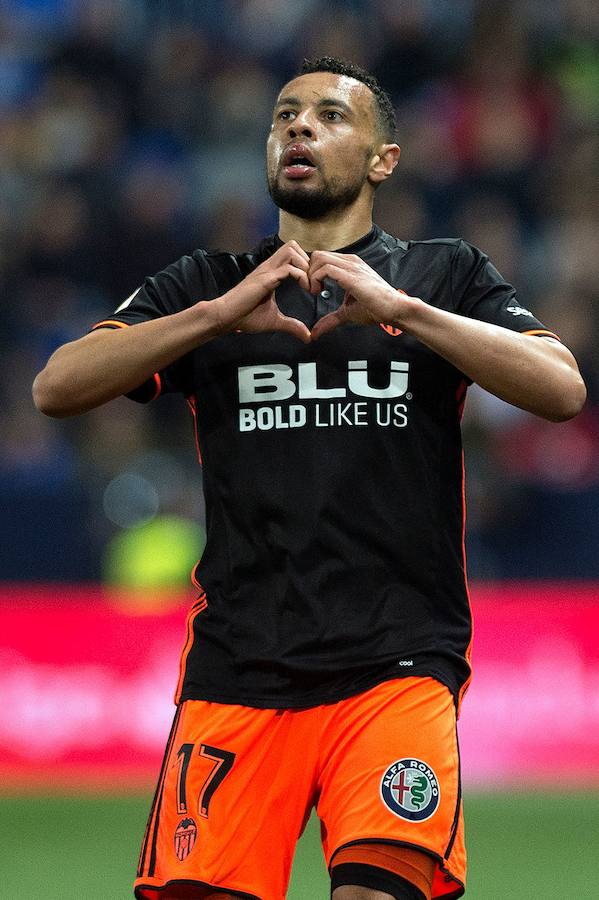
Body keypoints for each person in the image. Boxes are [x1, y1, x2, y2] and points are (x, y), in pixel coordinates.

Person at [33, 57, 586, 900]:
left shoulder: (442, 274)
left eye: (330, 116)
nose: (298, 127)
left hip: (396, 666)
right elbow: (56, 388)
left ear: (382, 159)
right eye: (285, 115)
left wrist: (405, 312)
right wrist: (218, 317)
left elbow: (561, 388)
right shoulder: (209, 285)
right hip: (237, 671)